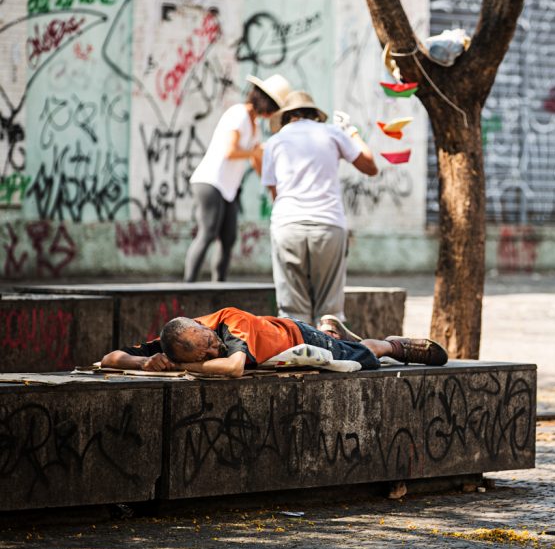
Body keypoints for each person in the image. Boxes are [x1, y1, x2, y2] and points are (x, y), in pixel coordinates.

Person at [261, 90, 378, 325]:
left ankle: (298, 356)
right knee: (329, 311)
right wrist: (351, 131)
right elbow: (370, 166)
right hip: (328, 225)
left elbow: (274, 193)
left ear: (286, 117)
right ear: (314, 115)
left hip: (287, 226)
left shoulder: (274, 142)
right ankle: (329, 355)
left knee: (292, 311)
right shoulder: (332, 132)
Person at [100, 307, 447, 377]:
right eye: (202, 351)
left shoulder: (229, 322)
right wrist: (144, 363)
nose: (212, 349)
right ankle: (331, 329)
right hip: (276, 351)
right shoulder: (174, 340)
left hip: (297, 337)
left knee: (364, 358)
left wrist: (181, 366)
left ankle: (392, 344)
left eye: (208, 341)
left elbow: (234, 368)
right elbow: (109, 359)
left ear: (203, 327)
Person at [184, 74, 292, 282]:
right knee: (207, 233)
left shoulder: (253, 125)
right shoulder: (239, 115)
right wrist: (254, 152)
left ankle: (219, 286)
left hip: (228, 188)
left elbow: (257, 160)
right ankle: (187, 286)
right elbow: (230, 151)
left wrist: (273, 189)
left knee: (228, 237)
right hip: (210, 182)